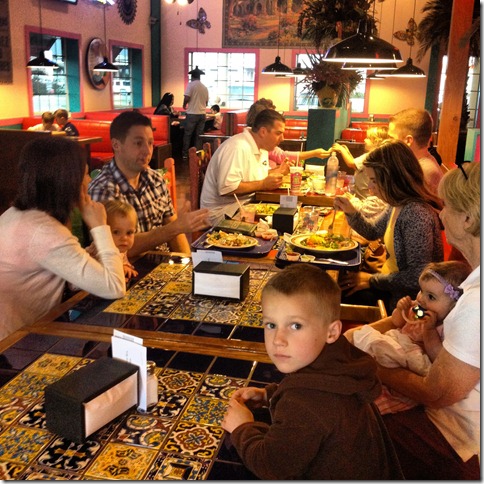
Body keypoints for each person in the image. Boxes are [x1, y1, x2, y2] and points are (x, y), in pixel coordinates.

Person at [345, 162, 480, 480]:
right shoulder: (471, 284)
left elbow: (436, 393)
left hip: (453, 431)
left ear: (468, 219)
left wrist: (365, 365)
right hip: (447, 413)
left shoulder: (475, 303)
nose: (441, 215)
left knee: (341, 417)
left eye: (447, 206)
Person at [221, 264, 403, 480]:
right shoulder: (341, 362)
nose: (278, 340)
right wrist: (269, 395)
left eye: (295, 326)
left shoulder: (305, 404)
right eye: (271, 325)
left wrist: (242, 428)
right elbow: (316, 398)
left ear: (331, 332)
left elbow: (272, 466)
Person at [0, 137, 126, 342]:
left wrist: (89, 257)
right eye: (86, 174)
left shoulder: (18, 214)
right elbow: (115, 287)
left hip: (23, 334)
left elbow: (63, 270)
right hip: (13, 346)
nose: (89, 181)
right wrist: (100, 226)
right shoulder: (44, 231)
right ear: (68, 182)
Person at [334, 139, 443, 312]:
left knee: (332, 295)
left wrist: (372, 280)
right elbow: (372, 231)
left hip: (401, 303)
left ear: (393, 178)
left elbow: (418, 277)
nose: (370, 187)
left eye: (374, 180)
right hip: (387, 284)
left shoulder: (416, 214)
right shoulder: (397, 204)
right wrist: (350, 211)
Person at [352, 260, 471, 415]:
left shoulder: (443, 327)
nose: (421, 299)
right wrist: (400, 309)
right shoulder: (417, 308)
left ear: (453, 306)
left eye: (431, 297)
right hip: (396, 341)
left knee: (378, 358)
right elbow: (397, 322)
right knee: (366, 344)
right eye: (421, 291)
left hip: (412, 359)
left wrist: (429, 330)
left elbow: (437, 357)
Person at [88, 110, 210, 256]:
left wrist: (189, 262)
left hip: (163, 263)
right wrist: (175, 227)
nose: (147, 151)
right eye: (138, 143)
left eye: (150, 143)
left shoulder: (155, 180)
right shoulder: (103, 189)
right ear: (116, 145)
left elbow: (175, 232)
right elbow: (114, 249)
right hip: (127, 268)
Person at [200, 109, 289, 224]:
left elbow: (257, 176)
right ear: (263, 132)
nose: (282, 138)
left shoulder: (262, 147)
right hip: (221, 213)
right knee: (280, 224)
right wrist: (263, 184)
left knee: (288, 213)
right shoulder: (237, 147)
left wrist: (278, 172)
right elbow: (227, 188)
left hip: (245, 205)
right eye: (278, 133)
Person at [246, 99, 330, 167]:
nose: (282, 138)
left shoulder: (260, 142)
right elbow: (281, 156)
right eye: (271, 115)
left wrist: (281, 169)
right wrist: (314, 153)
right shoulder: (245, 145)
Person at [388, 108, 442, 194]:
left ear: (408, 140)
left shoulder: (423, 171)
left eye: (391, 138)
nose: (388, 142)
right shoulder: (415, 163)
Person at [86, 200, 139, 282]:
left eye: (129, 232)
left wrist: (124, 267)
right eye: (116, 232)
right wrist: (118, 278)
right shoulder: (100, 249)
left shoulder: (120, 247)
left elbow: (121, 260)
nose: (124, 238)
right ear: (104, 231)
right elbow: (100, 274)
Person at [332, 126, 390, 199]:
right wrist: (347, 152)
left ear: (376, 142)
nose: (365, 140)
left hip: (365, 197)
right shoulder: (377, 156)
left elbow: (351, 163)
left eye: (368, 138)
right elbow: (357, 166)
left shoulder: (370, 156)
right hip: (364, 194)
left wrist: (341, 150)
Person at [182, 67, 209, 160]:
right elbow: (206, 102)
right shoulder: (204, 87)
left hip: (192, 113)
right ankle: (198, 155)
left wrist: (184, 104)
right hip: (202, 114)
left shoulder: (191, 85)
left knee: (188, 134)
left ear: (192, 76)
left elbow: (187, 97)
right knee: (199, 136)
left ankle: (185, 155)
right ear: (199, 77)